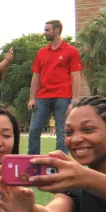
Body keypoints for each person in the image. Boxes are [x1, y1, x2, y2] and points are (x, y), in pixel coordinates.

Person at [27, 19, 82, 155]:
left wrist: (74, 100)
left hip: (63, 96)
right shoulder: (41, 52)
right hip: (42, 96)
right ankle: (31, 161)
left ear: (56, 30)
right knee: (34, 130)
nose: (44, 32)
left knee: (61, 131)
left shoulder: (71, 51)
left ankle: (60, 162)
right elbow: (36, 77)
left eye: (47, 30)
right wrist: (32, 98)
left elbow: (76, 76)